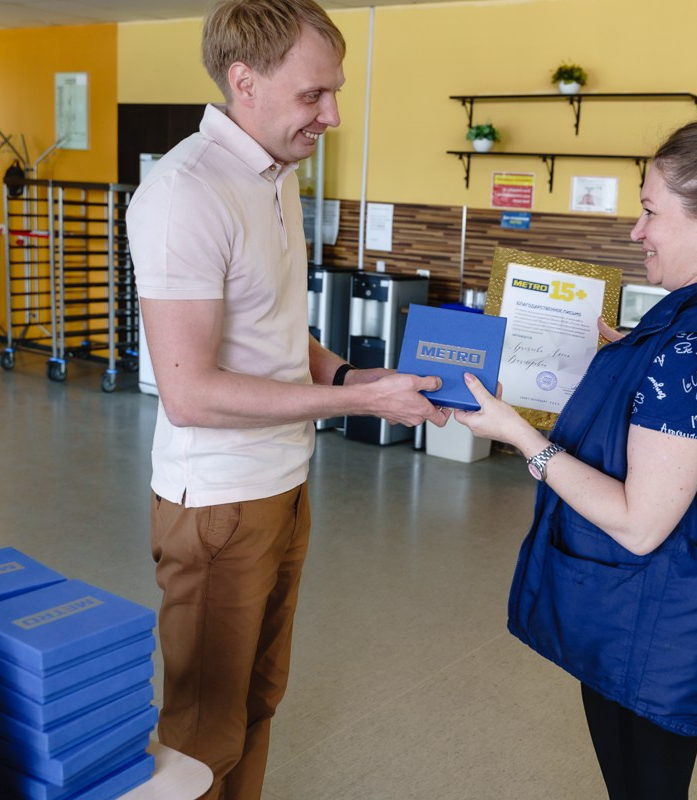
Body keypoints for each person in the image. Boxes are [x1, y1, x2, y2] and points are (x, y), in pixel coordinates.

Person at [126, 2, 448, 797]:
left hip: (282, 486)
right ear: (245, 82)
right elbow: (190, 392)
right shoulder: (185, 193)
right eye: (315, 95)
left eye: (335, 92)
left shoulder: (273, 177)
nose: (332, 114)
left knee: (259, 703)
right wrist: (362, 409)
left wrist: (347, 378)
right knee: (203, 731)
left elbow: (274, 333)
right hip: (219, 505)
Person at [456, 121, 697, 798]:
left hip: (655, 630)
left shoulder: (689, 349)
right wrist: (631, 360)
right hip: (691, 613)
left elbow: (639, 522)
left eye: (650, 211)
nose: (635, 231)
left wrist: (519, 436)